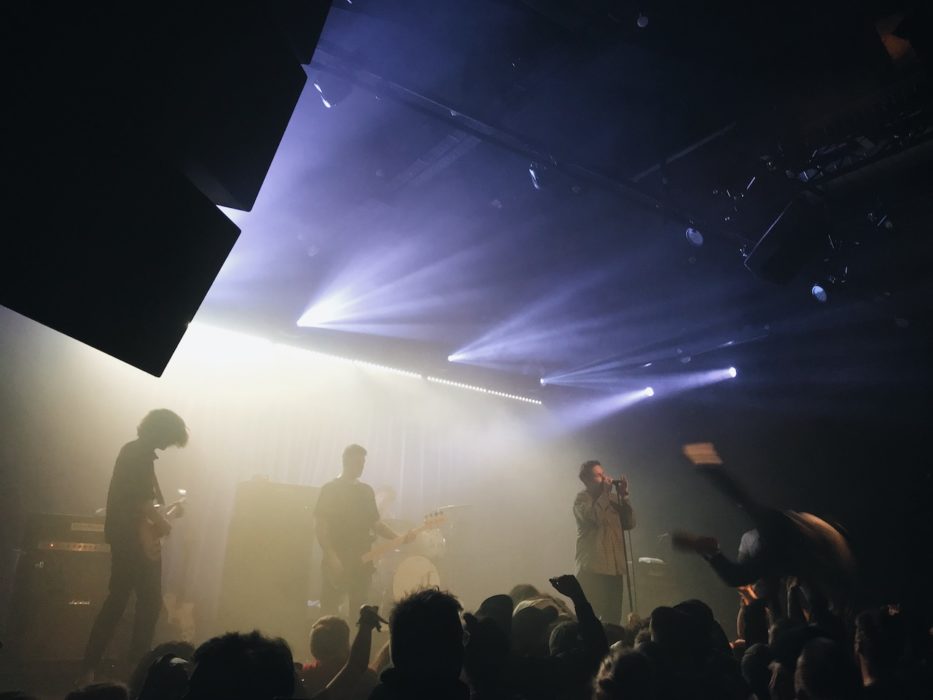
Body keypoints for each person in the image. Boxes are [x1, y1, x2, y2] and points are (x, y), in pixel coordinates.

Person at [81, 409, 189, 680]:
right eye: (170, 438)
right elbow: (141, 503)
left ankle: (100, 668)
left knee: (131, 602)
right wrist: (162, 523)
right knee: (139, 603)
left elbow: (141, 502)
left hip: (132, 539)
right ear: (161, 431)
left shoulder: (137, 453)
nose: (169, 445)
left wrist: (167, 514)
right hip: (133, 541)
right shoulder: (136, 453)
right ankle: (129, 668)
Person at [315, 444, 411, 617]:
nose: (361, 467)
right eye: (358, 462)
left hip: (362, 561)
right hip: (337, 558)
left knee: (359, 612)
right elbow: (321, 527)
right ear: (346, 462)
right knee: (329, 611)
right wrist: (331, 556)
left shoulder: (366, 491)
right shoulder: (330, 489)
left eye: (363, 463)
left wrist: (400, 538)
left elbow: (376, 524)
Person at [573, 460, 636, 625]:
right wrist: (606, 495)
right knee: (592, 616)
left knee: (613, 617)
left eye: (604, 473)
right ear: (586, 479)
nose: (605, 477)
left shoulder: (613, 499)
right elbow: (595, 518)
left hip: (615, 569)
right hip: (594, 568)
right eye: (599, 475)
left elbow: (629, 523)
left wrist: (624, 497)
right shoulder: (582, 499)